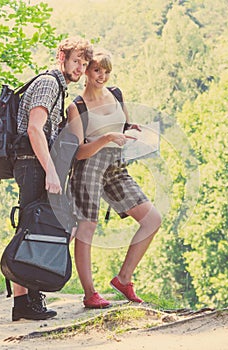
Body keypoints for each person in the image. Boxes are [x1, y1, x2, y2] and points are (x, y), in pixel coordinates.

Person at [67, 49, 162, 309]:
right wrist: (106, 138)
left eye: (106, 71)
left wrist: (132, 130)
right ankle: (89, 294)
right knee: (86, 228)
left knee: (152, 219)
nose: (102, 75)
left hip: (116, 170)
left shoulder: (117, 94)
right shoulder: (77, 107)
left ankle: (123, 279)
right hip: (88, 170)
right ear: (86, 71)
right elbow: (78, 152)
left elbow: (124, 126)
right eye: (97, 70)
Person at [11, 37, 93, 321]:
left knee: (36, 227)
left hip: (36, 164)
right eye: (76, 61)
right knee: (31, 228)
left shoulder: (60, 88)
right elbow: (35, 129)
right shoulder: (49, 83)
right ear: (62, 57)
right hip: (33, 164)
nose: (80, 68)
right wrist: (51, 172)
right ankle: (23, 303)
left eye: (84, 63)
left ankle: (29, 301)